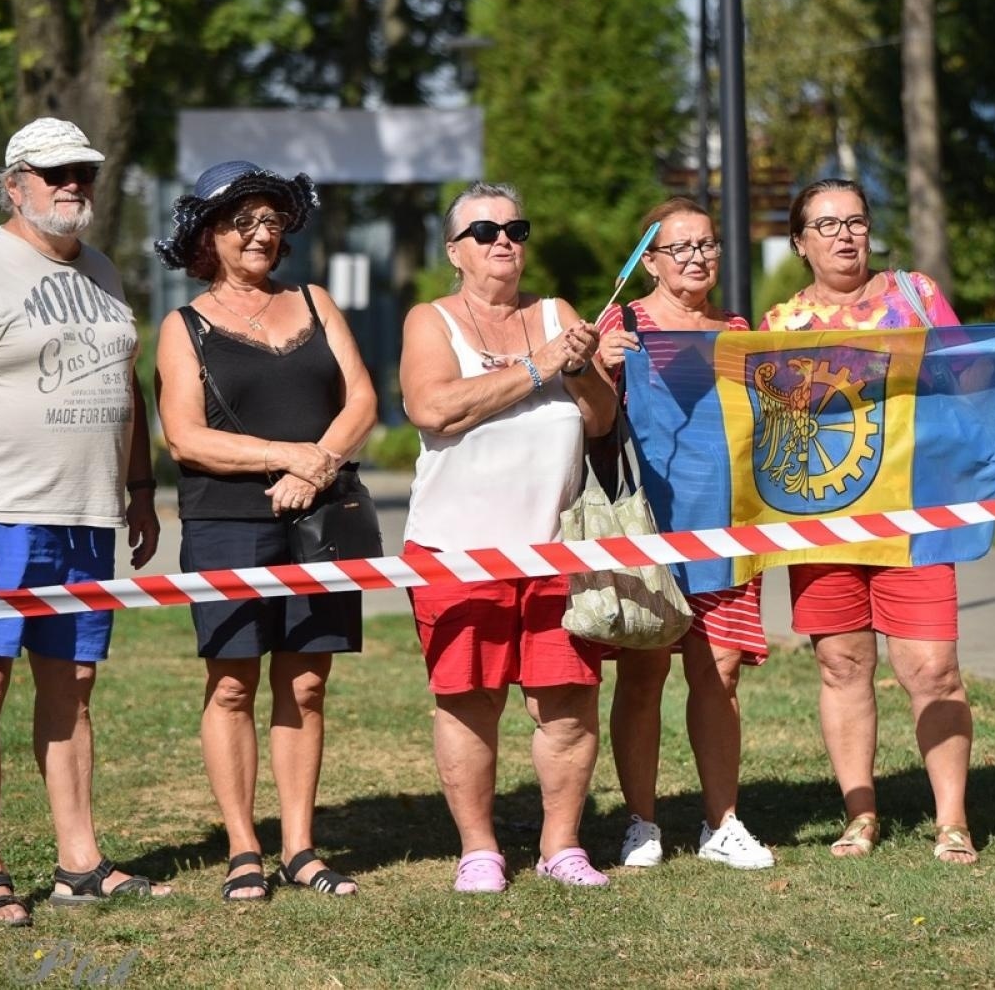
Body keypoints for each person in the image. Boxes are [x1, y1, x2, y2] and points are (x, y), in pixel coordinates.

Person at [0, 117, 169, 926]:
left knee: (74, 687)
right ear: (14, 182)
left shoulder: (103, 271)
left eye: (83, 172)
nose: (72, 186)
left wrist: (139, 488)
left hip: (88, 518)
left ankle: (78, 863)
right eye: (54, 173)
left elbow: (127, 388)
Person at [154, 160, 377, 899]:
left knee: (308, 683)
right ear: (208, 237)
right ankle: (244, 848)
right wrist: (288, 457)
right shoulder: (183, 327)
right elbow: (185, 438)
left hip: (321, 519)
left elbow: (363, 401)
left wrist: (315, 472)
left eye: (271, 221)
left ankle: (301, 847)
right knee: (230, 686)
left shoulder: (314, 301)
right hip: (225, 522)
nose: (260, 233)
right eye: (242, 221)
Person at [399, 182, 617, 891]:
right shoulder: (431, 321)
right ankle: (480, 850)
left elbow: (600, 421)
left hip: (556, 546)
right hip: (455, 548)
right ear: (454, 251)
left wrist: (579, 366)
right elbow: (433, 409)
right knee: (468, 700)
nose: (504, 241)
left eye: (516, 229)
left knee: (567, 700)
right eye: (486, 230)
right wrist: (538, 367)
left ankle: (562, 846)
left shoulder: (555, 314)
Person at [760, 178, 977, 864]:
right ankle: (860, 816)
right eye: (826, 226)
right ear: (800, 243)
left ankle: (953, 822)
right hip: (821, 519)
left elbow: (971, 377)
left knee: (933, 669)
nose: (845, 235)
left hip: (915, 515)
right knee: (842, 664)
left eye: (855, 221)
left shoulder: (915, 295)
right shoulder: (779, 327)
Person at [594, 198, 774, 871]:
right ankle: (641, 822)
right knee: (643, 674)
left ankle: (722, 821)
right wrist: (597, 362)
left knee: (719, 675)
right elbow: (586, 414)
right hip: (648, 526)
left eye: (707, 245)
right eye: (681, 247)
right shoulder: (625, 321)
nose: (697, 257)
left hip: (726, 525)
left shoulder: (737, 328)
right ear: (649, 261)